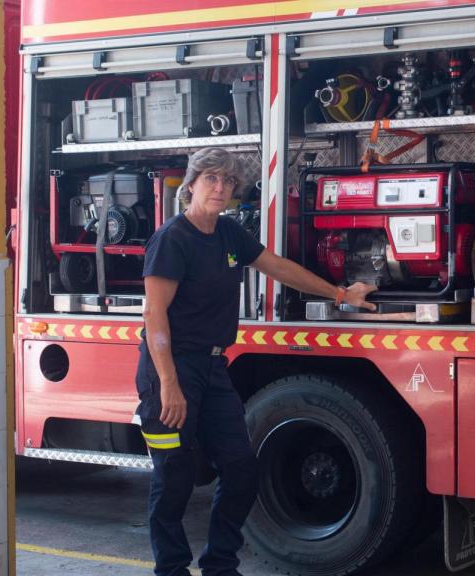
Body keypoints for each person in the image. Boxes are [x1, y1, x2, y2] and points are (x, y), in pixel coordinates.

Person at [135, 147, 376, 576]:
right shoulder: (172, 239)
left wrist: (341, 294)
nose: (220, 187)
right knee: (174, 476)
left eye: (228, 181)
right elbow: (154, 315)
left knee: (242, 469)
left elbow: (279, 268)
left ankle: (220, 565)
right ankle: (170, 569)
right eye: (211, 179)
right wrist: (169, 383)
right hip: (171, 369)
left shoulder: (228, 234)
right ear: (191, 185)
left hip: (212, 369)